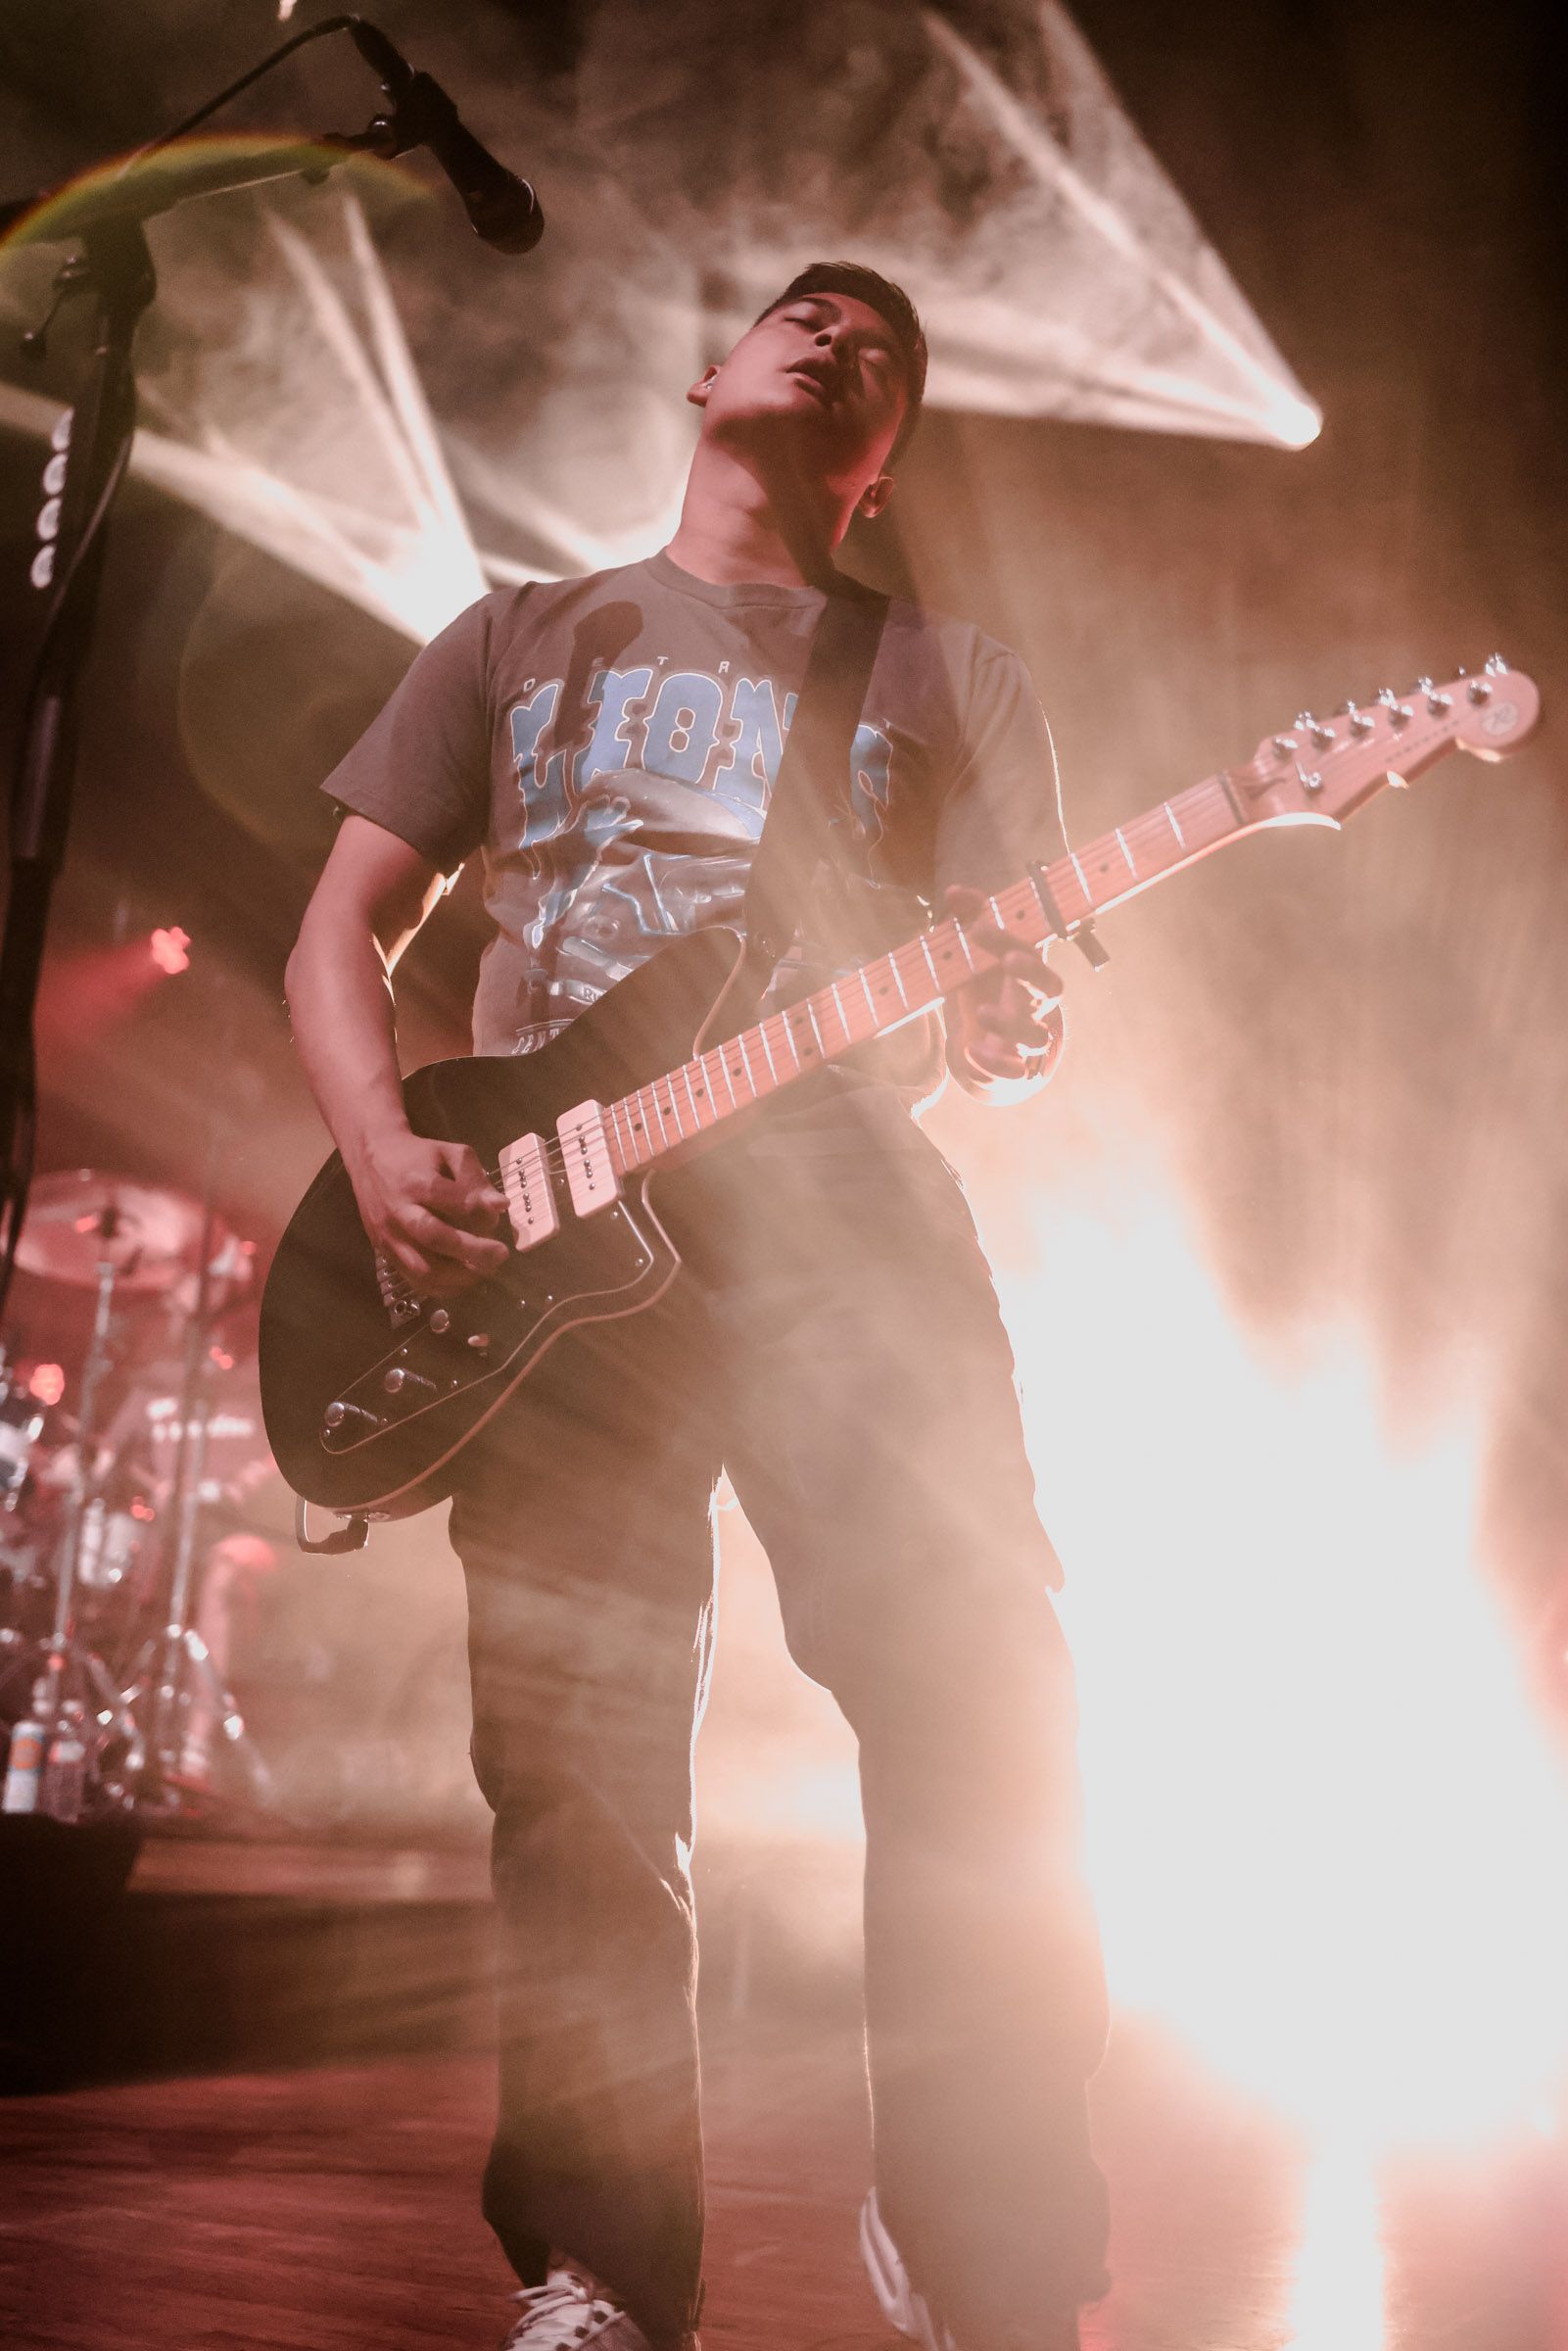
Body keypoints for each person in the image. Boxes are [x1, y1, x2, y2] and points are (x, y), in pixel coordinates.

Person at [284, 263, 1110, 2351]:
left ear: (884, 451)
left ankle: (985, 2239)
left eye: (887, 347)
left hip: (842, 1204)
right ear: (712, 376)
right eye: (804, 313)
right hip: (555, 1244)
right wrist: (385, 1149)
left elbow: (1017, 1006)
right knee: (575, 1775)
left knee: (977, 1701)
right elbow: (338, 937)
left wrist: (1006, 1017)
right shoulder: (518, 638)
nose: (841, 333)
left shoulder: (942, 671)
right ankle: (601, 2269)